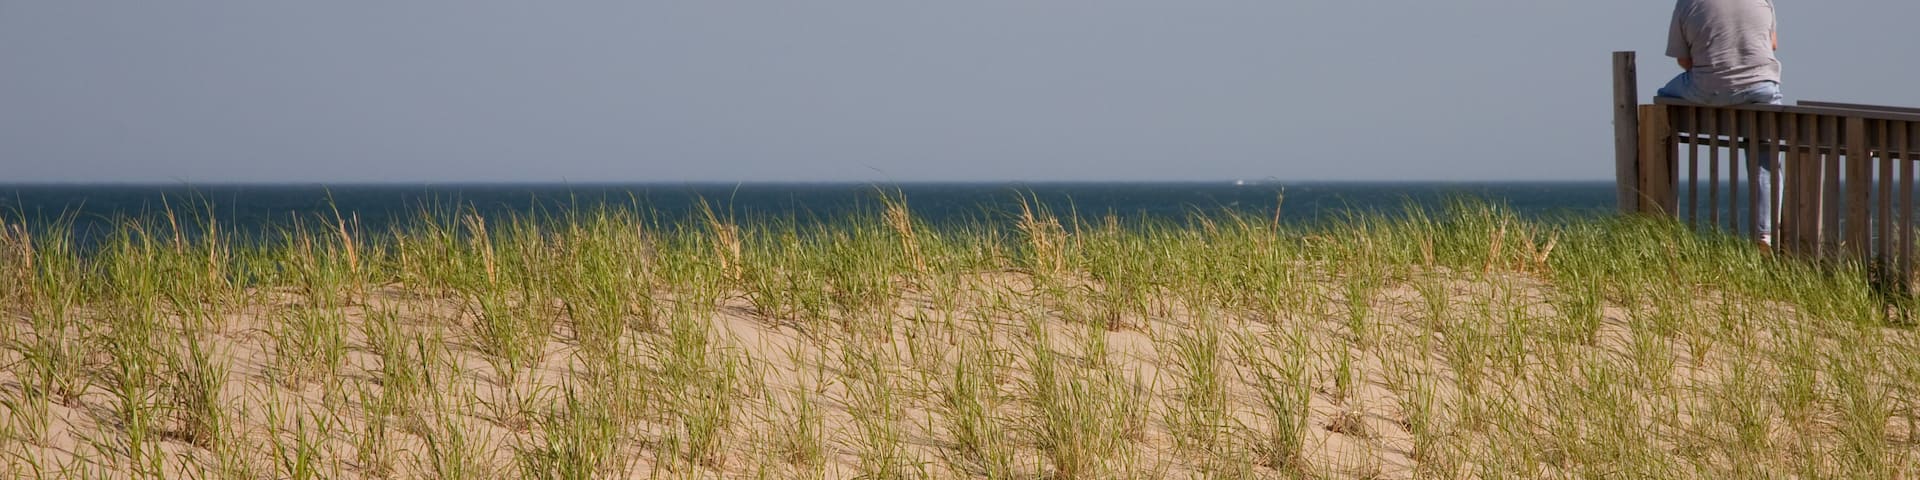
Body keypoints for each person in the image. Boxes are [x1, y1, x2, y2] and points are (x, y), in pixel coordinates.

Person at [1659, 0, 1783, 246]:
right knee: (1765, 152)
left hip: (1708, 88)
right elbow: (1772, 45)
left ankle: (1662, 203)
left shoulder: (1687, 3)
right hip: (1760, 87)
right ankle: (1766, 233)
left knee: (1662, 99)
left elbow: (1684, 60)